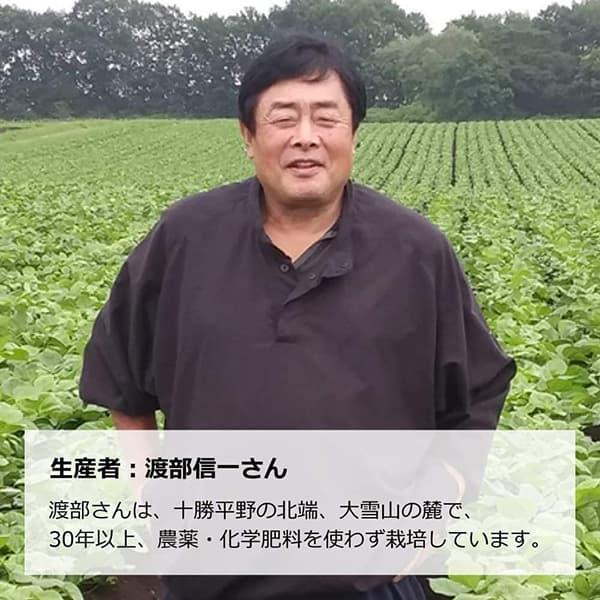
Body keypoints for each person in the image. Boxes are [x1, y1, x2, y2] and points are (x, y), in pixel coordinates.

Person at [79, 33, 516, 600]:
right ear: (248, 136)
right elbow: (122, 377)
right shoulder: (185, 239)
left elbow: (477, 392)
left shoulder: (414, 251)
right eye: (283, 118)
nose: (305, 137)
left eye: (326, 118)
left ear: (354, 135)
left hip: (372, 580)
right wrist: (152, 493)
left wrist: (439, 497)